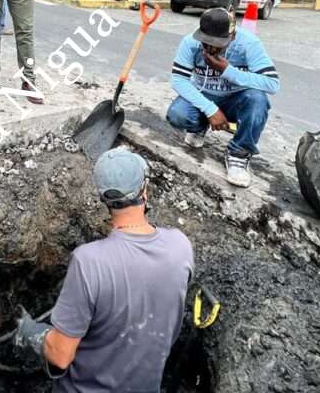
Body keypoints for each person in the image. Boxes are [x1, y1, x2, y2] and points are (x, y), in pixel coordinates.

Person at [13, 148, 194, 391]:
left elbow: (60, 356)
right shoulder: (180, 246)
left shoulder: (89, 261)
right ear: (145, 190)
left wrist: (31, 332)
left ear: (103, 199)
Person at [165, 7, 280, 187]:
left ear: (232, 36)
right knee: (178, 114)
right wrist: (210, 109)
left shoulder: (248, 44)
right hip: (205, 96)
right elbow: (179, 80)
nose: (210, 47)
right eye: (205, 41)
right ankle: (199, 126)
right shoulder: (190, 42)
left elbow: (272, 83)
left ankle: (238, 154)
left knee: (258, 100)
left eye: (217, 43)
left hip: (236, 100)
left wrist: (228, 71)